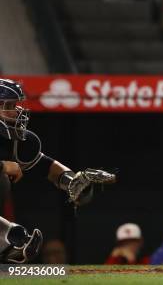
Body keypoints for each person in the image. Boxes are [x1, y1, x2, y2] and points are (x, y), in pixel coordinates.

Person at [0, 79, 115, 263]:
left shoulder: (17, 142)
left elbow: (47, 167)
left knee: (17, 237)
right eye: (10, 105)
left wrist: (73, 181)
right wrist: (3, 166)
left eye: (16, 105)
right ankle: (7, 241)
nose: (17, 111)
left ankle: (8, 242)